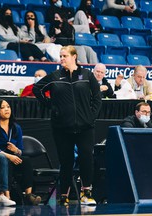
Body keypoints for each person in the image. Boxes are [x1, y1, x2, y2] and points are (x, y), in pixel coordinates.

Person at [33, 45, 102, 206]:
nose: (61, 58)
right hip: (62, 128)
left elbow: (97, 98)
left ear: (74, 57)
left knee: (86, 158)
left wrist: (90, 117)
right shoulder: (56, 76)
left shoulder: (87, 75)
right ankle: (64, 195)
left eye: (64, 56)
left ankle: (86, 193)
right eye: (60, 56)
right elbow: (37, 89)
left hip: (85, 127)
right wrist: (52, 106)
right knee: (66, 161)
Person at [0, 99, 42, 205]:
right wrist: (9, 156)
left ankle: (28, 195)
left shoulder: (16, 127)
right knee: (5, 162)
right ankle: (7, 196)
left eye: (8, 106)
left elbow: (21, 150)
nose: (6, 109)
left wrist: (16, 150)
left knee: (26, 161)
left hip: (13, 157)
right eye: (2, 107)